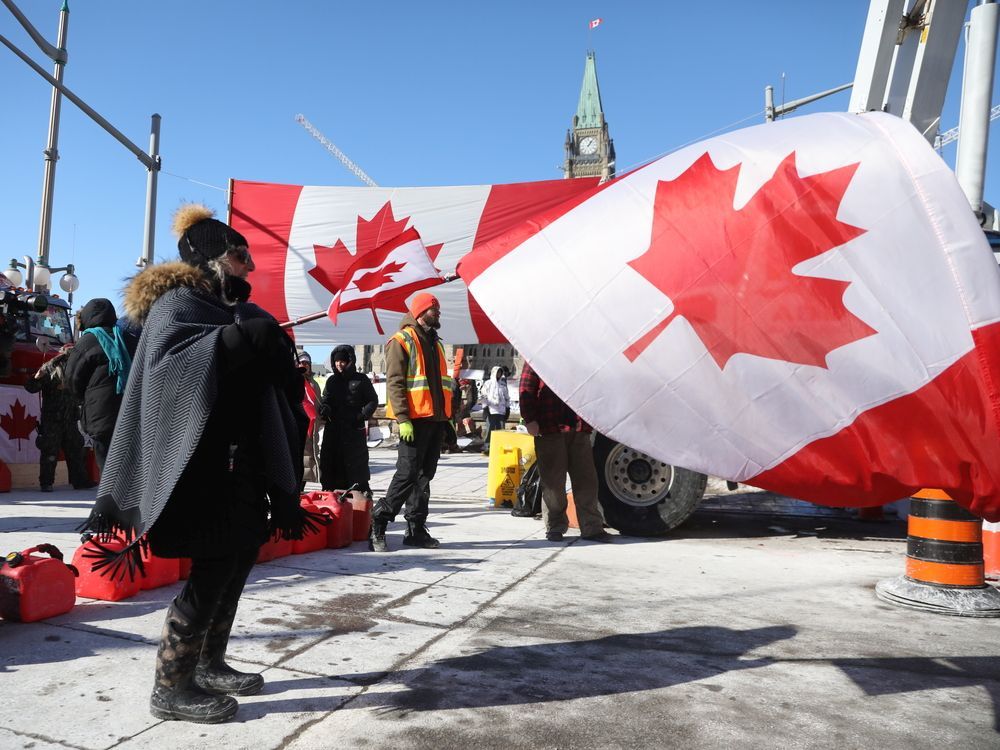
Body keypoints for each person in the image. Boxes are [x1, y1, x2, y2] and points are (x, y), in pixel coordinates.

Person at [81, 203, 320, 724]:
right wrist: (236, 341)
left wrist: (270, 352)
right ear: (212, 259)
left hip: (241, 466)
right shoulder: (176, 306)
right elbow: (170, 375)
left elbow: (251, 382)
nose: (249, 268)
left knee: (236, 562)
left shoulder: (227, 309)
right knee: (212, 570)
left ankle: (209, 663)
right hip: (199, 471)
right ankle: (170, 684)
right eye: (240, 256)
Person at [370, 292, 453, 552]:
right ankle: (379, 521)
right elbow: (395, 382)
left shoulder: (436, 343)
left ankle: (415, 529)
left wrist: (446, 420)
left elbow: (441, 387)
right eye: (433, 309)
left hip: (434, 420)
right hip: (414, 422)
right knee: (407, 475)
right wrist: (403, 419)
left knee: (424, 477)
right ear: (420, 312)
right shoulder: (401, 340)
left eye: (438, 309)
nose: (438, 312)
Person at [518, 361, 612, 543]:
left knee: (587, 481)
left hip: (579, 428)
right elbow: (526, 387)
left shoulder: (580, 353)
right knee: (553, 483)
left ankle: (591, 527)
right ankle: (555, 526)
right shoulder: (537, 352)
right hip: (550, 427)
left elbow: (594, 387)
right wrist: (529, 418)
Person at [65, 298, 132, 470]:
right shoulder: (127, 337)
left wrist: (82, 399)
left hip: (100, 415)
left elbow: (72, 378)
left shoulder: (87, 341)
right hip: (130, 412)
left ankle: (110, 496)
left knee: (108, 467)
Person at [24, 343, 93, 491]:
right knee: (50, 451)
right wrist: (36, 378)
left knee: (74, 450)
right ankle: (46, 483)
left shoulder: (76, 369)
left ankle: (79, 481)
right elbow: (31, 388)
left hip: (69, 418)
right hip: (52, 419)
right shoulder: (50, 367)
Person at [319, 344, 378, 494]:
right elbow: (327, 399)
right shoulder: (331, 381)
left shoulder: (361, 380)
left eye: (342, 361)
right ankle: (330, 493)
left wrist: (362, 416)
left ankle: (358, 493)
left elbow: (372, 400)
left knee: (355, 464)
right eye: (337, 361)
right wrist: (325, 408)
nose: (339, 364)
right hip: (333, 429)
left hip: (353, 428)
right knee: (331, 461)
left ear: (349, 361)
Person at [298, 351, 323, 486]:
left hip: (312, 430)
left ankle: (300, 493)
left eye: (306, 363)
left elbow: (318, 404)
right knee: (298, 462)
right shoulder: (292, 381)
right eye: (301, 362)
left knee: (308, 462)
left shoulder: (314, 384)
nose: (304, 365)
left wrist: (323, 411)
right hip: (299, 428)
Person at [479, 365, 509, 454]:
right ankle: (487, 446)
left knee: (501, 430)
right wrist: (485, 408)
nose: (499, 374)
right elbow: (483, 396)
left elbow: (507, 397)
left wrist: (508, 408)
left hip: (501, 411)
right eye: (497, 372)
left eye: (500, 372)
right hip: (491, 410)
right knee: (489, 429)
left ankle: (500, 446)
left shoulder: (503, 385)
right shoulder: (487, 383)